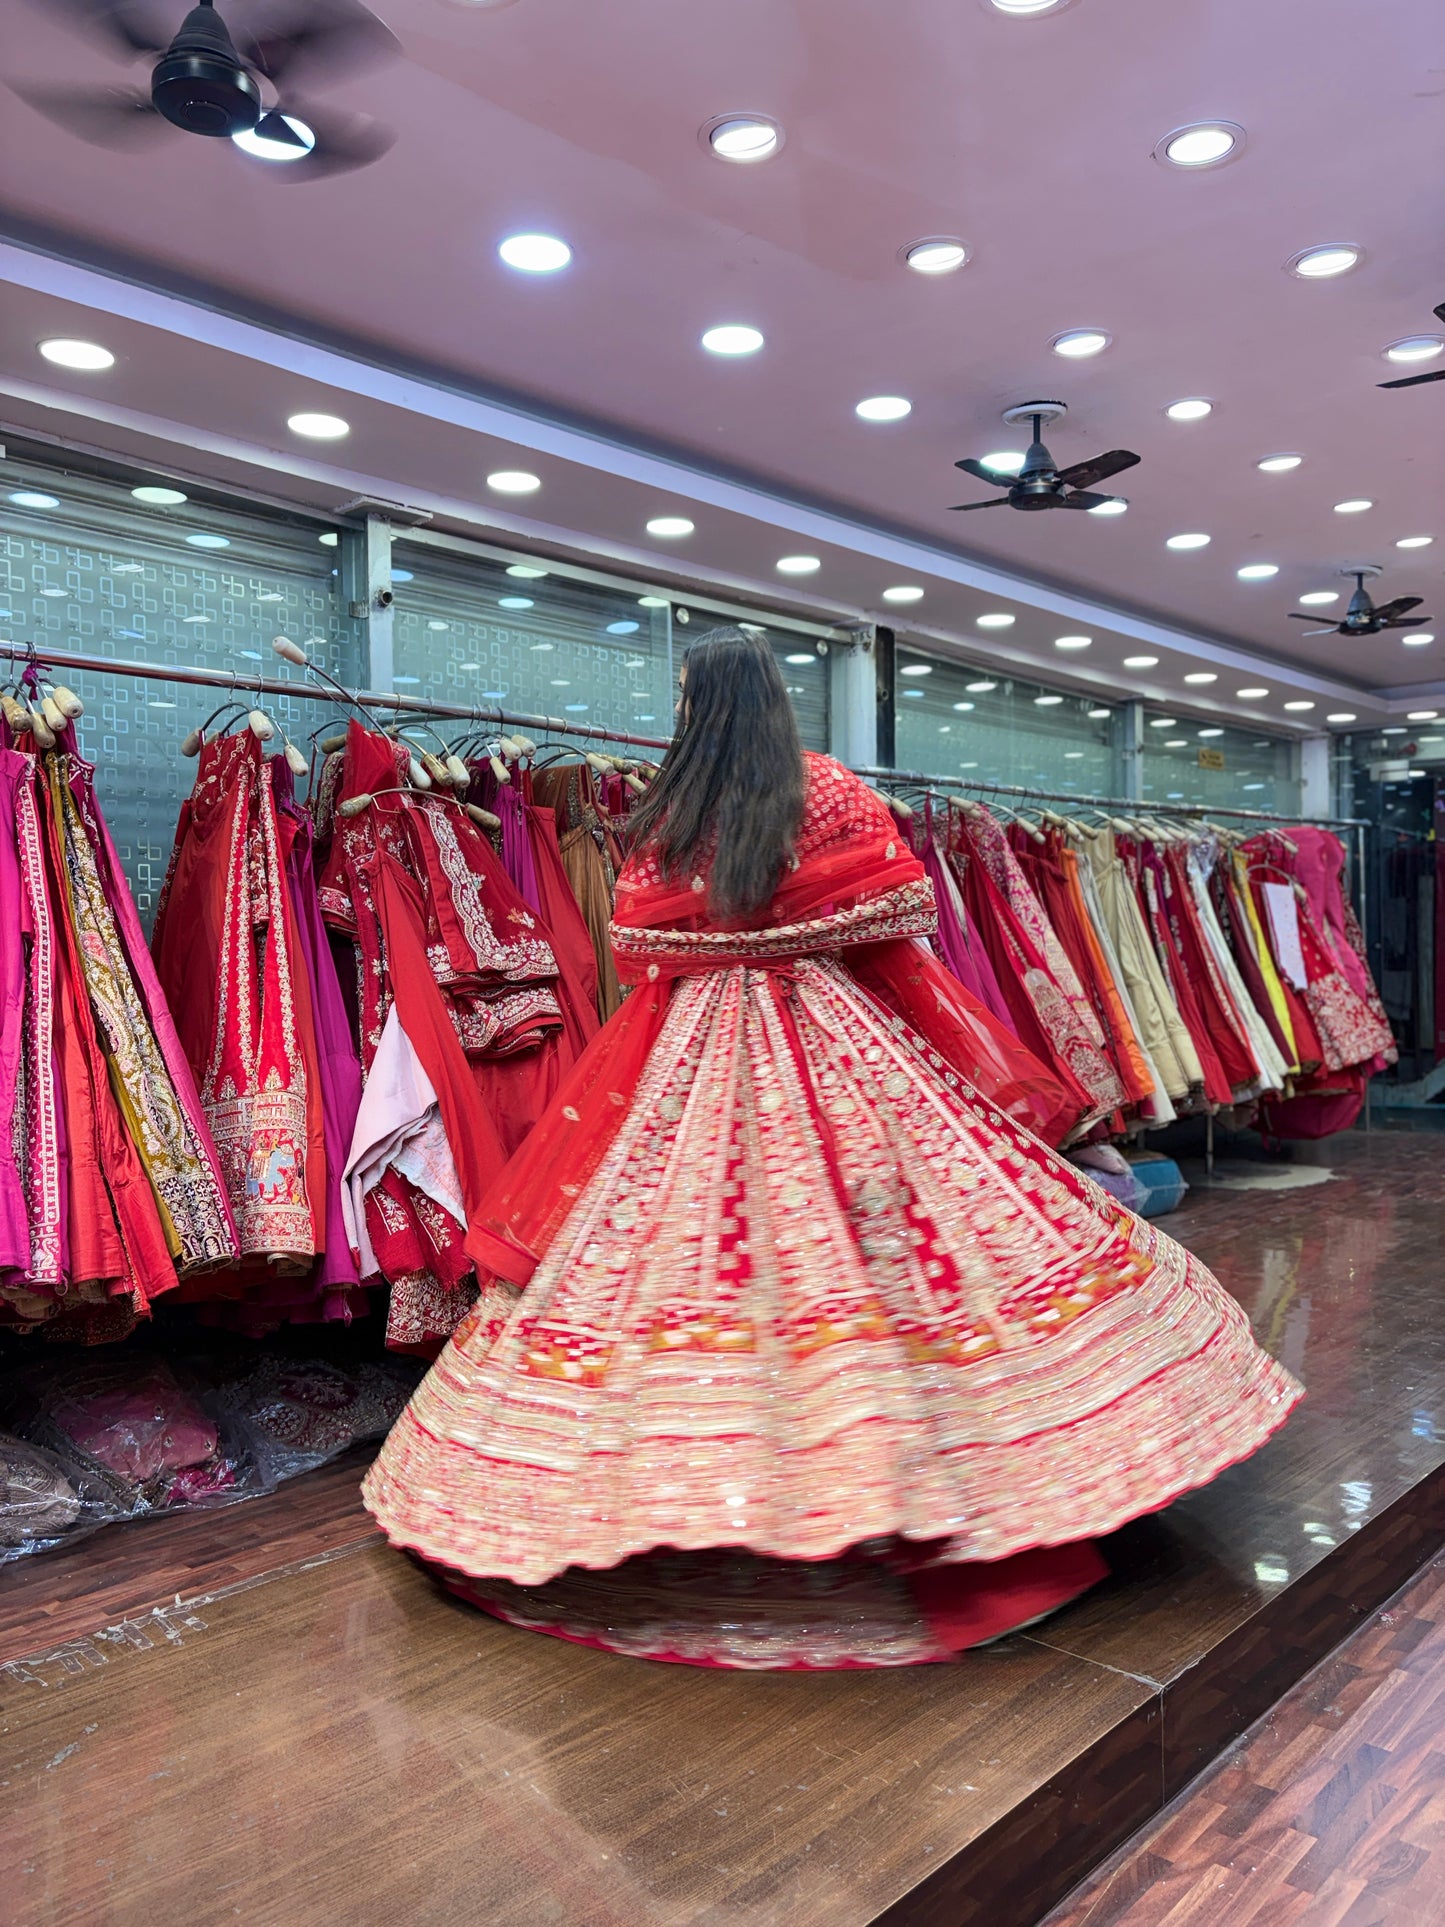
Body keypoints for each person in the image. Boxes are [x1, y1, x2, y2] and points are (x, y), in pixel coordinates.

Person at [363, 627, 1300, 1669]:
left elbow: (639, 944)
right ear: (774, 698)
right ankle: (924, 1476)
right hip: (835, 1027)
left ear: (700, 702)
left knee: (677, 1252)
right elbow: (899, 905)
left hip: (698, 1045)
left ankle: (713, 1479)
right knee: (904, 1240)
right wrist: (795, 932)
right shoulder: (821, 788)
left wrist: (730, 940)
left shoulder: (669, 807)